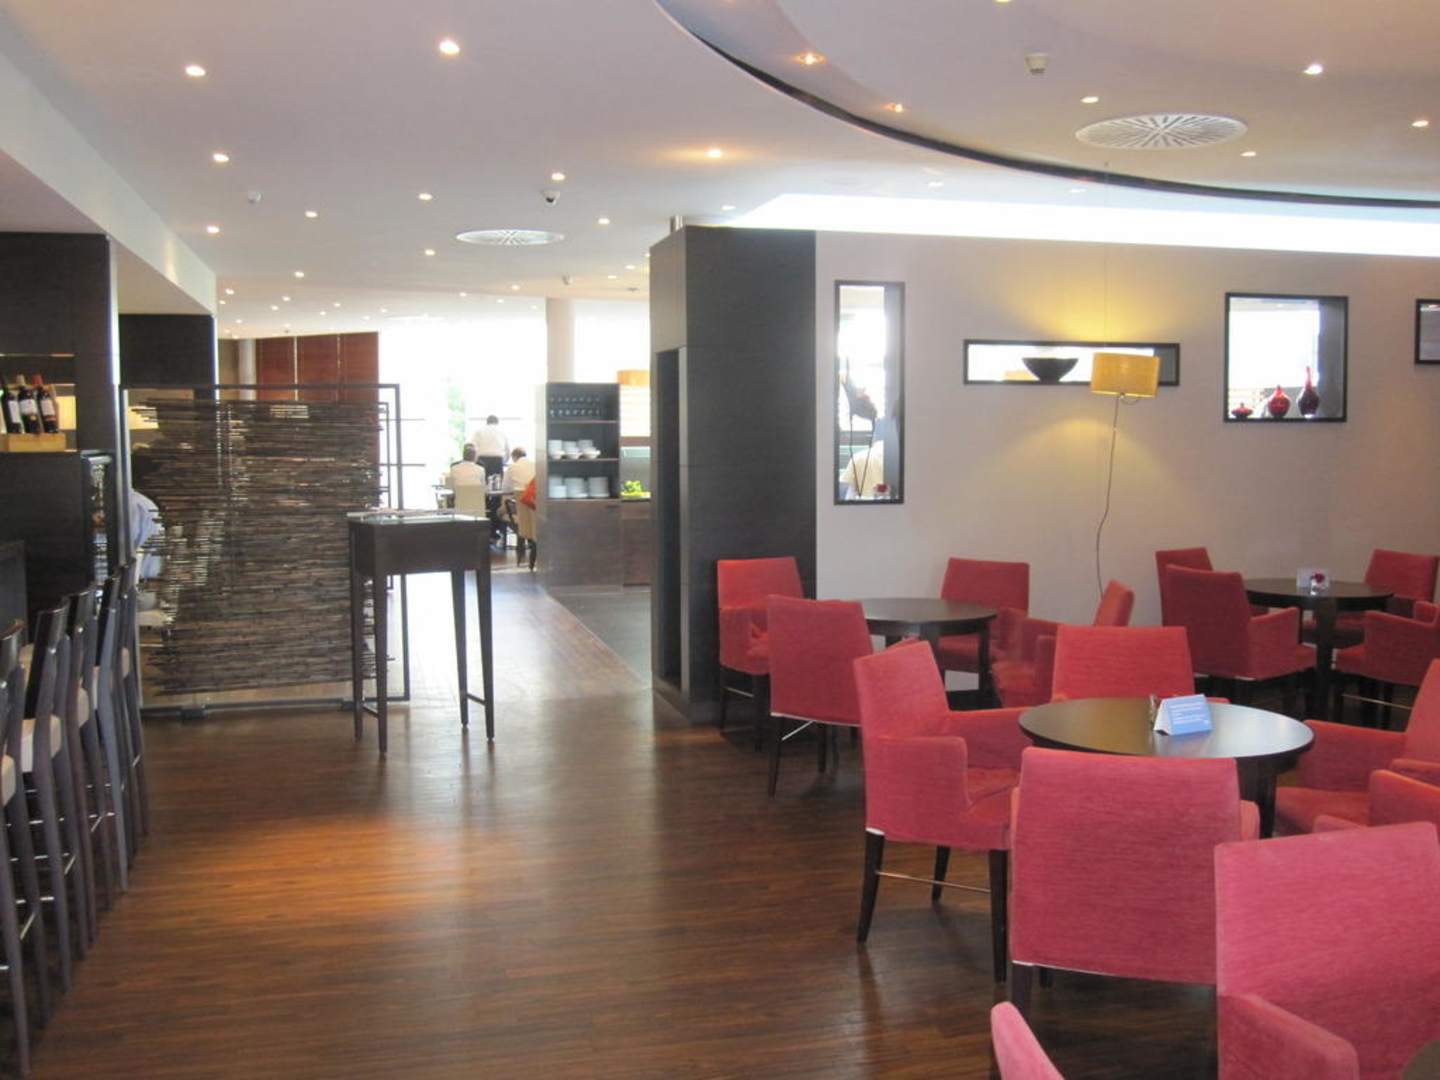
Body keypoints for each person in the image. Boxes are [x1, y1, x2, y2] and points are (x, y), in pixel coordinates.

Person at [470, 415, 509, 479]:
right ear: (497, 422)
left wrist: (474, 461)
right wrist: (504, 461)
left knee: (482, 481)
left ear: (487, 422)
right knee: (497, 482)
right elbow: (507, 449)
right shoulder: (502, 432)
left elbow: (472, 446)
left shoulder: (479, 431)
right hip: (497, 459)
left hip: (482, 459)